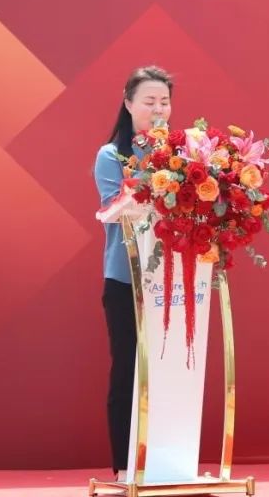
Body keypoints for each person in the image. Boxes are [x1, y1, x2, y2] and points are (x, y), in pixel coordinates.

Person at [93, 66, 173, 480]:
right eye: (149, 101)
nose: (158, 110)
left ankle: (167, 460)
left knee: (170, 370)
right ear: (128, 104)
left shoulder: (180, 153)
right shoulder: (112, 156)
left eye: (165, 102)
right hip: (126, 279)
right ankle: (126, 467)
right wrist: (152, 183)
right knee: (128, 367)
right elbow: (113, 210)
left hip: (172, 282)